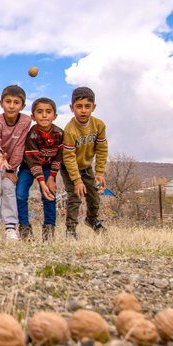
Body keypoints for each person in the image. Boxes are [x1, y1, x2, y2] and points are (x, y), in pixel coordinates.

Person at [60, 86, 108, 238]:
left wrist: (99, 173)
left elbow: (102, 149)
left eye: (87, 106)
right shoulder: (70, 130)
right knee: (75, 198)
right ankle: (71, 229)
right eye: (79, 106)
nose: (83, 110)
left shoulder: (99, 125)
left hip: (87, 168)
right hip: (70, 169)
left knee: (94, 197)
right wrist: (77, 180)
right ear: (71, 108)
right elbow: (68, 157)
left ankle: (92, 220)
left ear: (94, 107)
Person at [0, 85, 32, 240]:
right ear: (1, 103)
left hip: (12, 162)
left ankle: (10, 227)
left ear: (23, 106)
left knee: (8, 187)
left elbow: (20, 147)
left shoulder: (25, 121)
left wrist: (11, 170)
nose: (12, 106)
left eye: (16, 102)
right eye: (8, 101)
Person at [19, 97, 64, 240]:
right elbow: (33, 161)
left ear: (55, 116)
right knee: (20, 194)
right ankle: (24, 229)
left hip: (49, 168)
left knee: (49, 195)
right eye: (39, 112)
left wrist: (51, 177)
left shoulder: (60, 134)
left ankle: (49, 231)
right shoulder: (32, 135)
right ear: (33, 116)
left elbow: (59, 157)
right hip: (29, 166)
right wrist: (41, 182)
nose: (44, 115)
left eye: (48, 112)